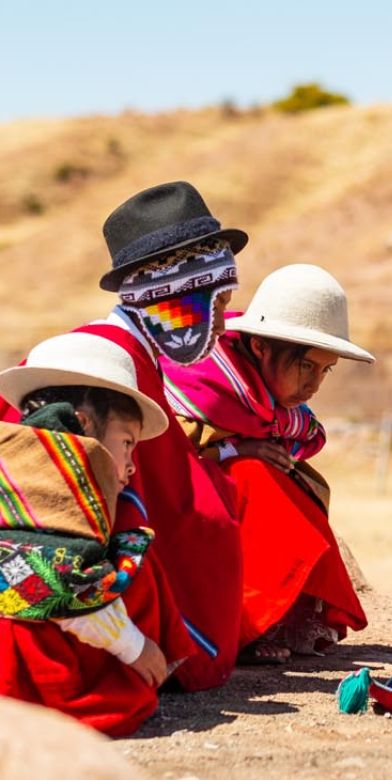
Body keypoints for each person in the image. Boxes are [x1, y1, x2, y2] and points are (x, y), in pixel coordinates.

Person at [0, 181, 248, 690]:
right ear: (181, 298)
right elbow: (170, 505)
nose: (223, 325)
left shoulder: (119, 350)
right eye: (217, 305)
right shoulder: (118, 364)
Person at [162, 264, 373, 663]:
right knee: (254, 477)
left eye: (325, 370)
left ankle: (285, 614)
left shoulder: (270, 406)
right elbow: (167, 458)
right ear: (260, 347)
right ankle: (244, 622)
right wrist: (233, 453)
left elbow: (303, 438)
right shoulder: (203, 382)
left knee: (288, 482)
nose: (313, 386)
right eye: (305, 366)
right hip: (179, 503)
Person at [0, 332, 197, 735]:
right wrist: (134, 646)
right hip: (32, 682)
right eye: (126, 444)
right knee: (136, 554)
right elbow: (50, 583)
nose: (130, 466)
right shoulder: (54, 479)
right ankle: (132, 678)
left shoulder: (15, 462)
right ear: (85, 424)